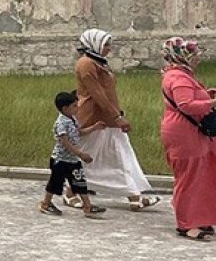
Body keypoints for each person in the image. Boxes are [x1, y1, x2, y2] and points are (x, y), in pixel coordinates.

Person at [69, 28, 160, 211]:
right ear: (94, 44)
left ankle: (134, 196)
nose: (109, 48)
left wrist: (116, 114)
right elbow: (97, 93)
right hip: (95, 119)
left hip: (108, 118)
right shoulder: (86, 64)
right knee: (88, 157)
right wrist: (116, 116)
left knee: (121, 156)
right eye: (106, 45)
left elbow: (107, 93)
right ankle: (69, 191)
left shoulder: (99, 63)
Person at [159, 37, 216, 242]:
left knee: (203, 174)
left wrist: (207, 95)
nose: (198, 58)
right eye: (194, 54)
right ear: (183, 56)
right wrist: (215, 101)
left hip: (192, 130)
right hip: (186, 132)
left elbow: (189, 98)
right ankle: (187, 223)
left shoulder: (181, 75)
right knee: (190, 176)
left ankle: (200, 218)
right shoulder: (179, 77)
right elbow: (186, 105)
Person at [39, 91, 106, 218]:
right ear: (65, 108)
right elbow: (65, 143)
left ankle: (87, 206)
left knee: (80, 181)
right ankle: (46, 203)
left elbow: (78, 132)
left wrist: (94, 128)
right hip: (60, 160)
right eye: (74, 106)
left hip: (72, 160)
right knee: (55, 183)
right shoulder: (61, 123)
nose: (77, 108)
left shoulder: (72, 119)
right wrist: (81, 154)